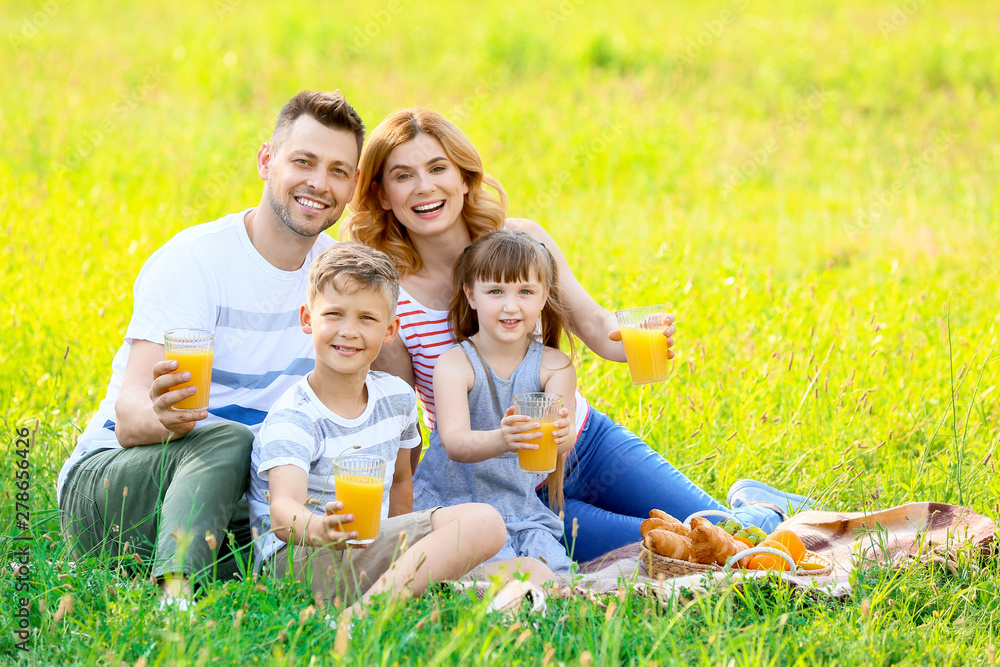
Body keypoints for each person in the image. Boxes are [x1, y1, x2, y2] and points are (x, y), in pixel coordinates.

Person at [345, 108, 814, 563]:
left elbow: (595, 327)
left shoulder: (524, 242)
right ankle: (759, 512)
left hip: (588, 443)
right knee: (687, 547)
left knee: (728, 531)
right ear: (382, 195)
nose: (424, 187)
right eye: (403, 175)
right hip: (514, 492)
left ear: (464, 178)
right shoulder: (390, 296)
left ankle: (761, 505)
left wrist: (636, 342)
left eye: (437, 167)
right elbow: (399, 420)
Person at [57, 90, 367, 605]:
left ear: (353, 186)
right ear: (267, 161)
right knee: (229, 440)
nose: (319, 183)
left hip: (242, 494)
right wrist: (169, 420)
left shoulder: (339, 279)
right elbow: (132, 417)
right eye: (303, 162)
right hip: (116, 485)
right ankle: (176, 596)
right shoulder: (196, 261)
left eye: (339, 170)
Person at [247, 242, 506, 615]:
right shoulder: (295, 415)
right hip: (302, 559)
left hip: (368, 547)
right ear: (308, 318)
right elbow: (283, 511)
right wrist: (323, 529)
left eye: (367, 318)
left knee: (524, 569)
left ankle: (395, 591)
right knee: (484, 523)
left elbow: (401, 481)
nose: (349, 331)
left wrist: (404, 542)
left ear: (390, 329)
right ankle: (366, 616)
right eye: (334, 314)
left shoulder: (397, 398)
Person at [414, 229, 576, 574]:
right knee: (502, 573)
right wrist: (503, 439)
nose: (511, 305)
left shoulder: (553, 365)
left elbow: (565, 438)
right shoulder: (456, 363)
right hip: (456, 507)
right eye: (496, 291)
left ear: (544, 296)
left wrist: (562, 434)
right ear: (471, 295)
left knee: (557, 573)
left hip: (522, 510)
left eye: (526, 292)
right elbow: (455, 442)